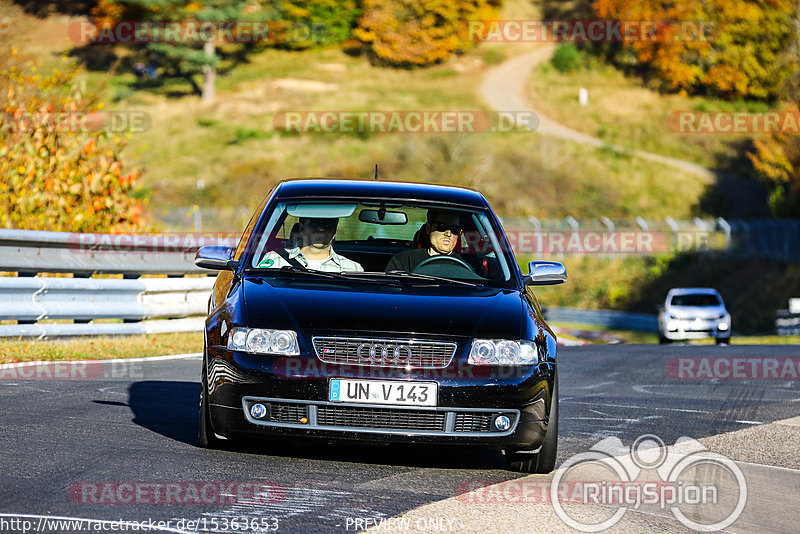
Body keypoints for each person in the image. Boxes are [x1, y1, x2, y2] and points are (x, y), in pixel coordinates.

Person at [258, 217, 363, 272]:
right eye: (315, 223)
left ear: (335, 231)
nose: (321, 229)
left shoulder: (353, 269)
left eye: (328, 224)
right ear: (301, 228)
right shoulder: (275, 261)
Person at [385, 209, 463, 272]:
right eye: (442, 227)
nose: (448, 233)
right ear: (428, 228)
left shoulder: (463, 266)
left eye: (454, 229)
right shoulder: (404, 260)